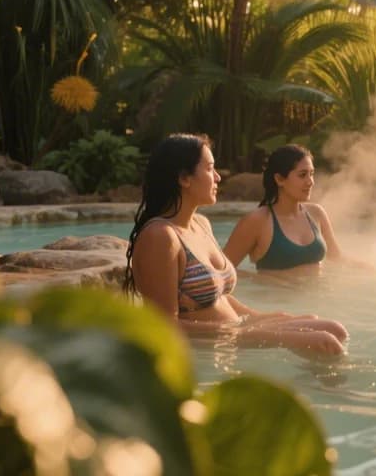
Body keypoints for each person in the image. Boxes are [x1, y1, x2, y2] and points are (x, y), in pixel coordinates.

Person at [124, 134, 348, 357]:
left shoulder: (201, 225)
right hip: (211, 347)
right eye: (210, 169)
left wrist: (264, 318)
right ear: (184, 178)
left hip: (233, 333)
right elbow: (164, 326)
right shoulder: (160, 237)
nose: (218, 177)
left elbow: (217, 297)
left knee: (332, 329)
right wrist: (249, 333)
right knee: (325, 342)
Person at [223, 144, 357, 274]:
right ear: (280, 179)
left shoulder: (316, 213)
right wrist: (265, 280)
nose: (310, 181)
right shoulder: (257, 221)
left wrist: (373, 273)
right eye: (302, 175)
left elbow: (337, 259)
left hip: (318, 294)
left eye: (311, 174)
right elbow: (221, 270)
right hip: (276, 296)